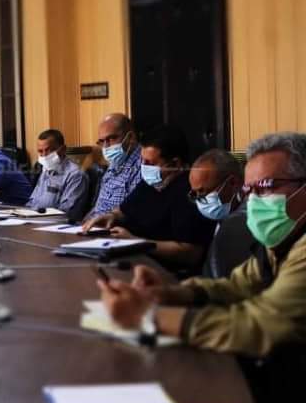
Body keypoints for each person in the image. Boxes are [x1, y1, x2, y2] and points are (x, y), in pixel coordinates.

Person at [97, 132, 306, 362]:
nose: (253, 202)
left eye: (266, 186)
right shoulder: (283, 239)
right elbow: (238, 285)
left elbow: (263, 327)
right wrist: (172, 293)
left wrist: (151, 316)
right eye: (249, 190)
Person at [83, 125, 216, 274]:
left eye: (150, 163)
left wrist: (136, 242)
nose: (143, 167)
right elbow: (123, 211)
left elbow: (191, 253)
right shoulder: (152, 181)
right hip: (132, 259)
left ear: (175, 164)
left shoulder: (189, 191)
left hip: (162, 272)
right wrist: (111, 216)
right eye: (142, 161)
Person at [189, 149, 259, 278]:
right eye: (195, 194)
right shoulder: (226, 216)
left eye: (203, 192)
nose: (200, 200)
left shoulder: (248, 222)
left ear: (233, 183)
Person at [86, 113, 142, 218]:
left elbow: (134, 214)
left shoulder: (144, 165)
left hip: (113, 226)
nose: (106, 146)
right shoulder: (115, 162)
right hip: (95, 224)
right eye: (102, 141)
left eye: (111, 138)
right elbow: (99, 206)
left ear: (131, 137)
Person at [26, 129, 90, 220]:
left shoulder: (75, 175)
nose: (44, 155)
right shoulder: (45, 170)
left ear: (63, 149)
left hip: (55, 223)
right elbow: (32, 202)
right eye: (40, 151)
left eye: (48, 150)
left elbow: (67, 213)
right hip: (35, 220)